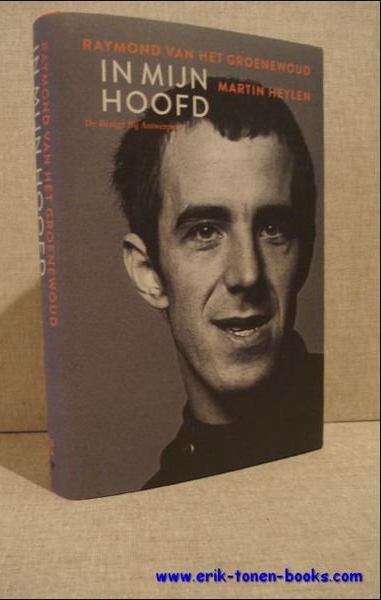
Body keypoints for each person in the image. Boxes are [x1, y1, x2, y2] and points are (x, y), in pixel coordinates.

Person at [113, 77, 323, 489]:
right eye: (205, 231)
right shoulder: (160, 499)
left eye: (272, 228)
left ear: (306, 252)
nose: (247, 274)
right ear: (149, 272)